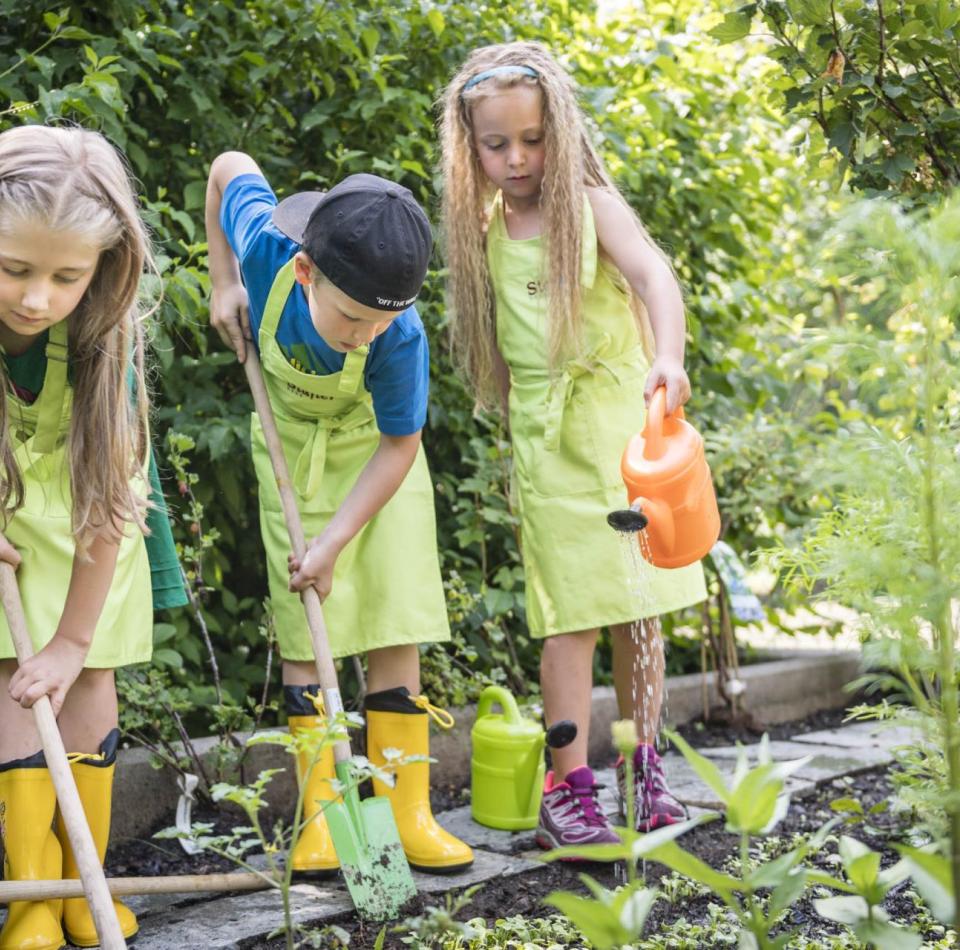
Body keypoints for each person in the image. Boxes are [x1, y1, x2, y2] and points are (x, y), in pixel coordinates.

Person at [439, 42, 708, 851]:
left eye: (531, 138)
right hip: (550, 446)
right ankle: (570, 787)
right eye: (497, 144)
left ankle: (642, 769)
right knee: (570, 615)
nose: (517, 158)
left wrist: (669, 357)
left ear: (558, 129)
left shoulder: (589, 204)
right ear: (471, 145)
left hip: (625, 431)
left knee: (639, 607)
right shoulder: (484, 227)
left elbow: (656, 279)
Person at [205, 152, 473, 874]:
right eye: (352, 318)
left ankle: (405, 813)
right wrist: (222, 279)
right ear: (305, 274)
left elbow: (399, 444)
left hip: (378, 466)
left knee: (394, 620)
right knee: (304, 625)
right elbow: (229, 167)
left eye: (381, 323)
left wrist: (338, 538)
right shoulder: (265, 249)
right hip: (294, 455)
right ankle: (324, 818)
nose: (365, 336)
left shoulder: (398, 335)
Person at [0, 124, 187, 948]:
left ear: (106, 269)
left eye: (65, 277)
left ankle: (85, 880)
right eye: (14, 269)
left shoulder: (103, 341)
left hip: (92, 534)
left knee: (83, 683)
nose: (37, 299)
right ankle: (33, 896)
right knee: (15, 683)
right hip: (11, 534)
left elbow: (110, 500)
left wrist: (76, 638)